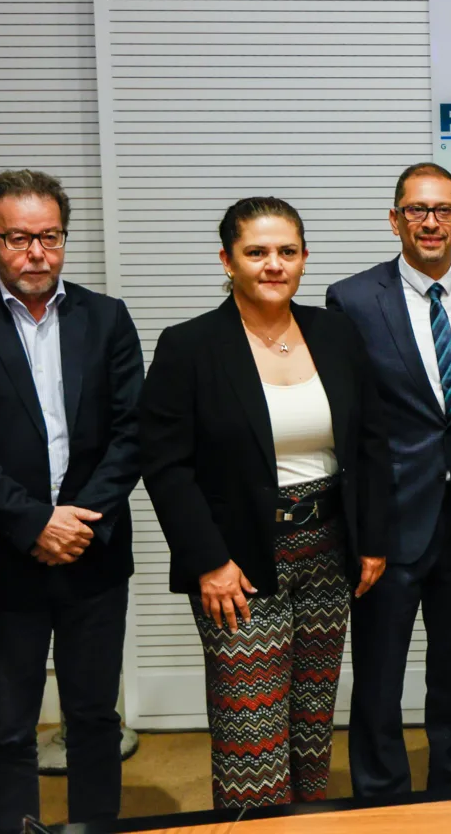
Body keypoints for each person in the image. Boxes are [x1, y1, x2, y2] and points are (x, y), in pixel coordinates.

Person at [140, 197, 390, 808]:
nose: (273, 264)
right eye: (256, 252)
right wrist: (209, 562)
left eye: (286, 251)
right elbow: (166, 467)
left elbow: (371, 441)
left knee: (311, 722)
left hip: (329, 551)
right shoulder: (190, 345)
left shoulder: (335, 333)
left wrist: (373, 538)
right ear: (227, 261)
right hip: (239, 562)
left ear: (304, 258)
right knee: (250, 731)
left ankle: (306, 820)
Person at [326, 163, 451, 796]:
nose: (431, 222)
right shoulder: (352, 300)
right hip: (389, 522)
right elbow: (347, 423)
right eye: (417, 210)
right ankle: (381, 799)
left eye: (443, 210)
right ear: (395, 218)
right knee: (379, 679)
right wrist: (359, 526)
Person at [0, 169, 142, 833]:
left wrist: (76, 524)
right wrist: (35, 522)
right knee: (8, 726)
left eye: (50, 237)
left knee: (94, 717)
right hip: (4, 561)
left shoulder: (106, 318)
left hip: (91, 554)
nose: (38, 253)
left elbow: (133, 433)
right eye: (20, 238)